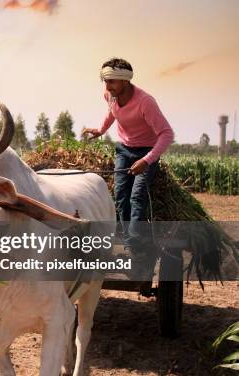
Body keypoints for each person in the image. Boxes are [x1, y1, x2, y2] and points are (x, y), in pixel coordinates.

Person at [82, 57, 175, 280]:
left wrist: (148, 159)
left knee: (137, 196)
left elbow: (167, 134)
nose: (107, 87)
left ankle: (136, 243)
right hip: (124, 150)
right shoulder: (110, 96)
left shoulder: (145, 102)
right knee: (120, 194)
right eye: (105, 81)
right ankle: (127, 238)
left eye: (112, 82)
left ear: (125, 81)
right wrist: (101, 130)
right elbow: (112, 112)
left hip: (146, 151)